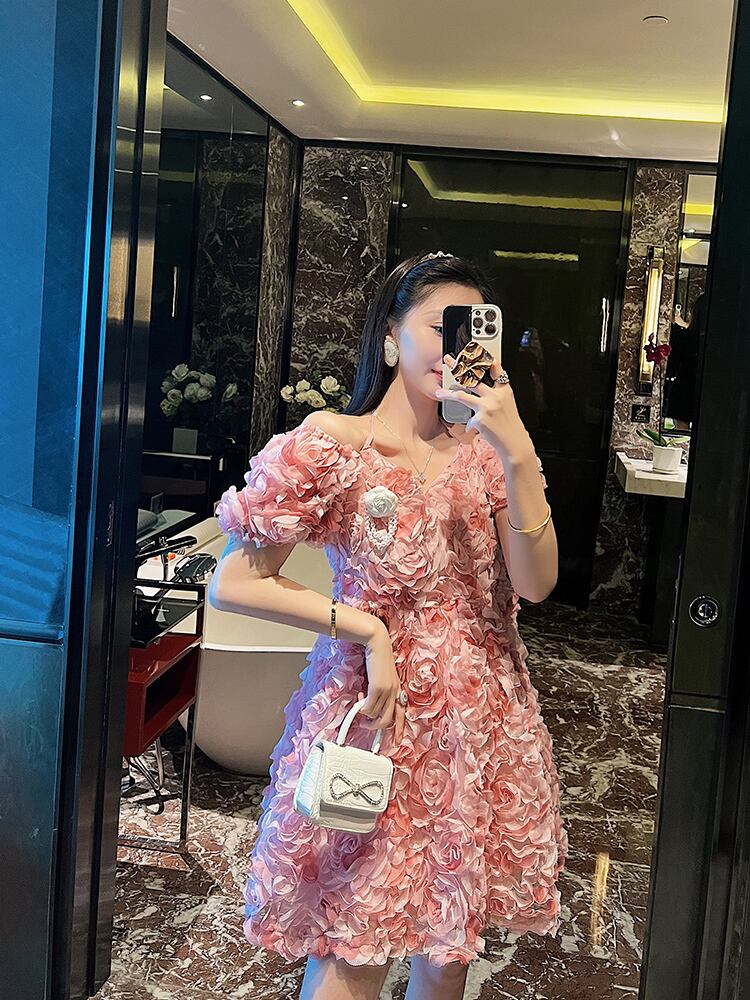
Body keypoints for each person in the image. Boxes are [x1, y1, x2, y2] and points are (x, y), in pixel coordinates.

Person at [210, 251, 568, 1000]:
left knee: (447, 952)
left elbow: (536, 585)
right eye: (441, 326)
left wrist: (517, 450)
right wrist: (365, 629)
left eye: (473, 329)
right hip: (374, 713)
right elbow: (236, 581)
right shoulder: (334, 444)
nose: (457, 346)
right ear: (388, 337)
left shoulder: (489, 458)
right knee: (352, 941)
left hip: (478, 727)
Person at [664, 292, 706, 430]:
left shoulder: (687, 338)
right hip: (710, 392)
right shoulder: (723, 345)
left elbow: (671, 368)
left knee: (681, 431)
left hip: (684, 389)